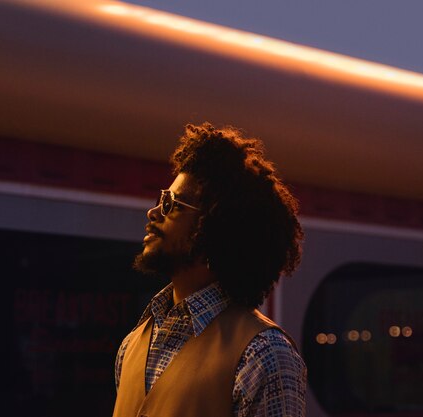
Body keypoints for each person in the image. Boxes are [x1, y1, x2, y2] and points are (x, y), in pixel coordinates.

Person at [113, 122, 306, 417]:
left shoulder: (265, 353)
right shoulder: (131, 345)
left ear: (215, 227)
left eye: (171, 204)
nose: (153, 213)